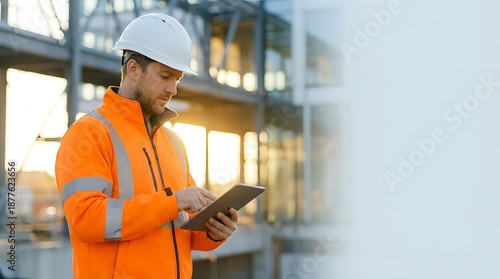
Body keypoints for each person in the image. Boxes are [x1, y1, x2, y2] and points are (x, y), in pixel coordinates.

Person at [55, 13, 238, 279]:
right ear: (133, 69)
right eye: (165, 76)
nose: (173, 89)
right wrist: (172, 202)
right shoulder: (88, 134)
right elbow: (86, 220)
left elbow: (186, 234)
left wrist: (214, 231)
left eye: (177, 78)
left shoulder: (174, 143)